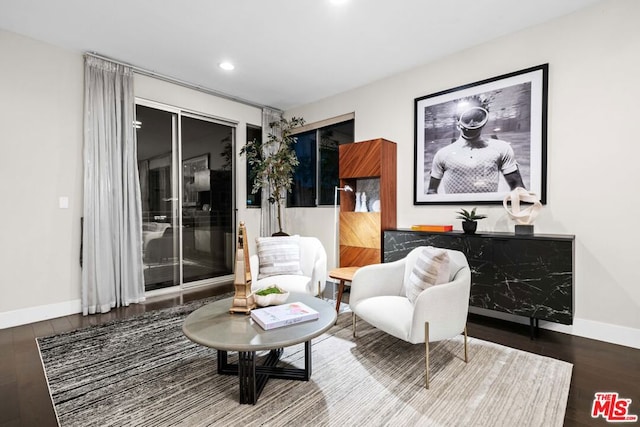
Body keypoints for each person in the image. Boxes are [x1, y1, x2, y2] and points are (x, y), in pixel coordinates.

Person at [427, 104, 525, 194]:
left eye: (477, 118)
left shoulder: (501, 148)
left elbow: (518, 188)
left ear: (484, 120)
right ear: (458, 124)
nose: (472, 123)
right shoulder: (443, 154)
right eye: (467, 118)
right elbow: (431, 192)